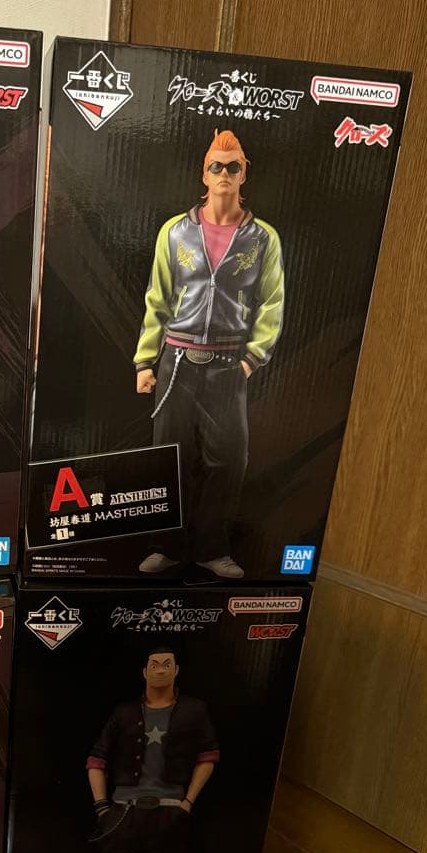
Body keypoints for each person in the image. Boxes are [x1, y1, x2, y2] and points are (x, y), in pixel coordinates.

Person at [134, 130, 284, 579]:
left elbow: (272, 303)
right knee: (170, 459)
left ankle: (211, 548)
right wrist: (145, 360)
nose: (223, 174)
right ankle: (166, 545)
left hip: (227, 363)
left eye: (232, 167)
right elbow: (157, 298)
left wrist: (251, 358)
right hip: (177, 360)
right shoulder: (175, 232)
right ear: (204, 173)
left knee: (229, 460)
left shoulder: (262, 238)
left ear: (243, 174)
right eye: (215, 166)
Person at [81, 642, 218, 853]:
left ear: (177, 669)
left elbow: (208, 757)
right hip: (124, 808)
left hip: (170, 803)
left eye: (167, 664)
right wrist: (102, 807)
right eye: (154, 665)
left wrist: (187, 802)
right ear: (144, 671)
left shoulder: (194, 710)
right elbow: (96, 760)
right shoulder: (124, 712)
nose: (160, 670)